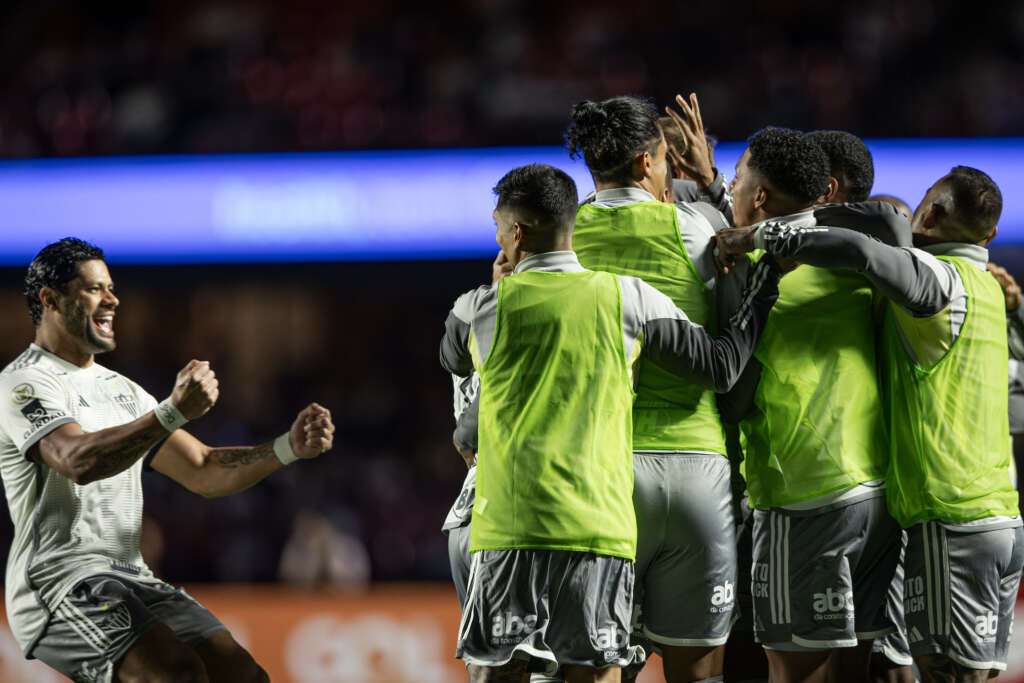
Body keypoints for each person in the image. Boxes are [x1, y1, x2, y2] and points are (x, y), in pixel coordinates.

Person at [440, 163, 784, 683]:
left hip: (505, 529)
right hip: (596, 527)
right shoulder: (630, 298)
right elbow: (718, 367)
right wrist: (758, 296)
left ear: (514, 232)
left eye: (498, 227)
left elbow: (453, 361)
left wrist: (498, 290)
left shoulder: (477, 309)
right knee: (597, 671)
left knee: (499, 674)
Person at [715, 165, 1024, 681]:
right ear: (990, 236)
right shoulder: (992, 292)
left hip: (950, 516)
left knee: (945, 672)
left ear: (932, 212)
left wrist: (755, 233)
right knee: (965, 671)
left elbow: (862, 250)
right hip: (1001, 516)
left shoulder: (936, 282)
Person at [0, 237, 336, 683]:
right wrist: (171, 412)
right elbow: (75, 459)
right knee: (173, 674)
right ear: (51, 299)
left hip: (130, 577)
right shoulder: (24, 382)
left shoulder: (122, 391)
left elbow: (203, 469)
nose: (113, 299)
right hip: (59, 582)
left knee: (241, 675)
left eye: (112, 287)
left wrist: (286, 447)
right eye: (95, 288)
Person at [565, 93, 741, 683]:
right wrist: (710, 179)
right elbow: (751, 255)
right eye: (667, 162)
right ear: (648, 163)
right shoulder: (698, 224)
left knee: (602, 667)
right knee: (698, 671)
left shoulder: (560, 237)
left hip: (600, 474)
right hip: (695, 467)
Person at [718, 127, 902, 683]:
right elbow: (890, 217)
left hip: (801, 494)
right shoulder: (858, 263)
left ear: (760, 198)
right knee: (853, 669)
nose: (729, 189)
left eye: (736, 179)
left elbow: (734, 396)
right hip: (875, 493)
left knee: (794, 671)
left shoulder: (751, 272)